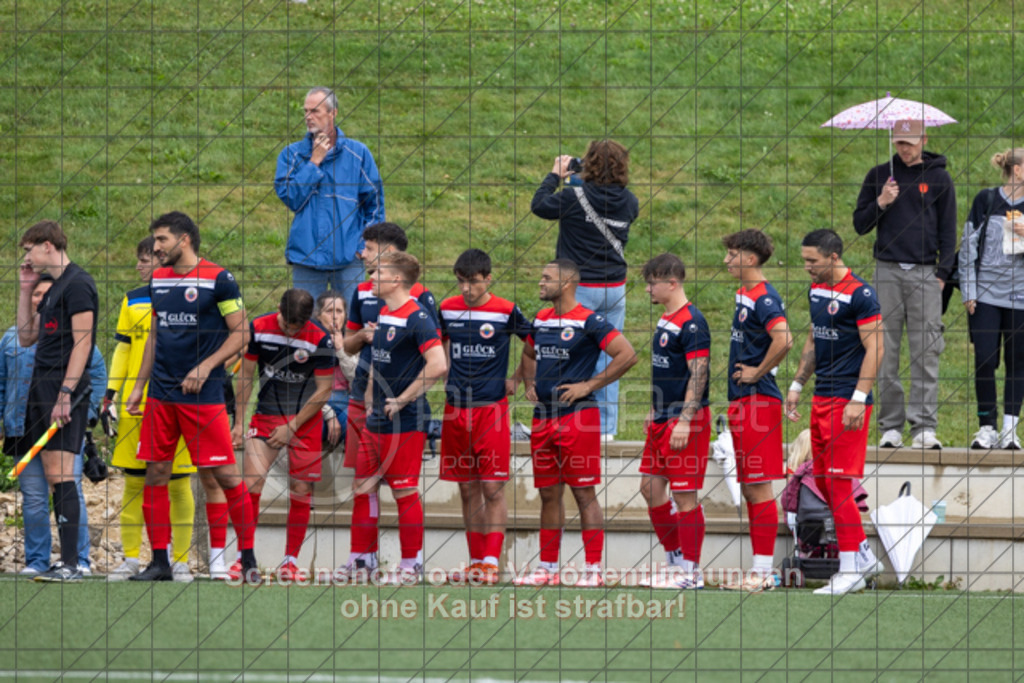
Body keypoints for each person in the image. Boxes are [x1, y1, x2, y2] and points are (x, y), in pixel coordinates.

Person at [124, 211, 257, 582]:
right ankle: (160, 562)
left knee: (226, 477)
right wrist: (138, 387)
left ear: (184, 240)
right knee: (156, 473)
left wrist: (206, 366)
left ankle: (247, 560)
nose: (156, 246)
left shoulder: (219, 279)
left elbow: (242, 332)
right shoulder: (160, 279)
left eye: (162, 239)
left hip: (204, 397)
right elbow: (155, 334)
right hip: (161, 395)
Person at [513, 259, 638, 587]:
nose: (540, 282)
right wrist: (529, 384)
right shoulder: (541, 318)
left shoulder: (589, 321)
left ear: (566, 283)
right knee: (548, 495)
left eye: (546, 277)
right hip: (542, 418)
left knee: (584, 493)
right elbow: (528, 354)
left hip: (578, 418)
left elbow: (627, 354)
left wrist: (588, 386)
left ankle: (593, 570)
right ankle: (548, 569)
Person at [785, 229, 886, 596]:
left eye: (812, 261)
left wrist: (859, 397)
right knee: (825, 480)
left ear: (833, 256)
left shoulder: (861, 295)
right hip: (822, 396)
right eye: (805, 260)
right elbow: (813, 339)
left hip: (848, 399)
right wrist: (797, 384)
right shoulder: (817, 290)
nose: (807, 267)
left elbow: (876, 348)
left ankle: (848, 571)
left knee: (840, 482)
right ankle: (861, 554)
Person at [340, 251, 447, 584]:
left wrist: (402, 399)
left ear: (397, 279)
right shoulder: (385, 312)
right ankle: (361, 561)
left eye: (379, 272)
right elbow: (379, 360)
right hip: (377, 416)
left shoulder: (418, 317)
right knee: (364, 488)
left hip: (406, 419)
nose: (371, 276)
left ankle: (410, 565)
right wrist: (372, 396)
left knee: (403, 491)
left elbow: (438, 364)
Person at [853, 119, 957, 450]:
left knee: (926, 349)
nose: (904, 148)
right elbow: (859, 224)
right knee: (886, 350)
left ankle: (924, 426)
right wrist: (882, 201)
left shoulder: (940, 178)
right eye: (899, 142)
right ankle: (891, 426)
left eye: (910, 142)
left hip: (926, 273)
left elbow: (948, 231)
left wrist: (942, 274)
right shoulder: (879, 175)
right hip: (887, 271)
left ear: (924, 139)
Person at [530, 140, 640, 439]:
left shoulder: (572, 198)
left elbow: (539, 205)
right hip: (614, 289)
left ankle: (563, 424)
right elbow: (600, 197)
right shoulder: (630, 201)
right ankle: (605, 429)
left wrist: (556, 174)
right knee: (609, 356)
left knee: (568, 357)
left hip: (580, 289)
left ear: (589, 164)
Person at [103, 237, 198, 582]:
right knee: (134, 482)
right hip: (136, 404)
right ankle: (130, 559)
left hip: (179, 402)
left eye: (145, 260)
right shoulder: (133, 298)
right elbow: (124, 350)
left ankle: (180, 560)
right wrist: (111, 392)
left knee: (177, 483)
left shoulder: (194, 295)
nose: (140, 267)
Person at [1, 274, 105, 577]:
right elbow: (2, 382)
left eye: (46, 294)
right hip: (23, 427)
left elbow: (96, 376)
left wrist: (84, 414)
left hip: (62, 425)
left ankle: (78, 561)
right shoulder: (11, 338)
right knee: (33, 498)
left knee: (67, 489)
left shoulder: (70, 336)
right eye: (36, 294)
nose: (40, 299)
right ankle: (37, 561)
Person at [438, 249, 531, 585]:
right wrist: (445, 371)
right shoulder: (447, 308)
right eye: (461, 282)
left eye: (473, 282)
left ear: (488, 279)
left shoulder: (506, 310)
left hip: (491, 410)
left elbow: (532, 342)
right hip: (455, 410)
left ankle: (492, 562)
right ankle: (476, 562)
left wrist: (518, 378)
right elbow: (439, 343)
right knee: (466, 489)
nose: (466, 289)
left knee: (492, 487)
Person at [15, 220, 99, 583]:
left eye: (30, 249)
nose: (27, 257)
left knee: (63, 475)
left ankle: (72, 564)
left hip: (63, 392)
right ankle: (64, 562)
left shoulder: (78, 283)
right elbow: (25, 337)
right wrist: (25, 290)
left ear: (48, 245)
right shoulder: (52, 289)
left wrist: (66, 393)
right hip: (41, 389)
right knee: (54, 476)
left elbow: (83, 342)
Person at [232, 289, 335, 581]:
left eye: (297, 327)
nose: (291, 332)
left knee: (301, 490)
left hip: (305, 419)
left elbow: (325, 389)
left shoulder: (320, 339)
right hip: (266, 414)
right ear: (278, 307)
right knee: (251, 484)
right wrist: (239, 422)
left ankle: (289, 562)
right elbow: (245, 375)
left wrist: (293, 426)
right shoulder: (259, 328)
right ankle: (244, 558)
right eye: (288, 325)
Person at [720, 230, 793, 592]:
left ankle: (763, 574)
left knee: (759, 488)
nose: (726, 261)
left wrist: (756, 373)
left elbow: (785, 339)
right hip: (742, 401)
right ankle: (759, 571)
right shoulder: (744, 293)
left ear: (750, 259)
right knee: (750, 488)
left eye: (732, 255)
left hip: (759, 401)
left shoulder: (764, 296)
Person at [637, 254, 712, 591]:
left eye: (652, 283)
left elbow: (699, 373)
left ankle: (690, 572)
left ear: (672, 283)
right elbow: (667, 370)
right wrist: (655, 408)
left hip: (685, 420)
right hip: (662, 418)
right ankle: (675, 558)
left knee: (684, 496)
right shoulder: (667, 318)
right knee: (650, 489)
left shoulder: (693, 322)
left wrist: (685, 419)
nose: (648, 289)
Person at [275, 86, 385, 304]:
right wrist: (314, 162)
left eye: (315, 111)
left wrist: (362, 247)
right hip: (306, 257)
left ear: (333, 113)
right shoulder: (291, 155)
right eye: (306, 111)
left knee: (351, 322)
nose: (308, 117)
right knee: (307, 325)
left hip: (348, 260)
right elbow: (292, 198)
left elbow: (374, 205)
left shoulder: (358, 154)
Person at [343, 222, 437, 475]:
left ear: (390, 252)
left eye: (370, 249)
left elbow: (436, 357)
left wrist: (407, 397)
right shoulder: (363, 292)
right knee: (362, 482)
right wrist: (363, 336)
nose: (363, 254)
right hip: (363, 396)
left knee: (400, 486)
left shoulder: (420, 299)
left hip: (400, 404)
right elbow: (347, 346)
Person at [958, 149, 1024, 450]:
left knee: (1017, 362)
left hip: (1021, 298)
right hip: (985, 295)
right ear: (1018, 171)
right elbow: (968, 246)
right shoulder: (985, 200)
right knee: (985, 359)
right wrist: (969, 291)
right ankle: (987, 426)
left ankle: (1010, 430)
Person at [316, 291, 357, 451]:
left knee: (355, 426)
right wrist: (328, 414)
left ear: (346, 316)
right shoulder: (310, 342)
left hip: (348, 400)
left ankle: (356, 475)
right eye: (329, 311)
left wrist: (340, 349)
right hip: (318, 402)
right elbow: (304, 387)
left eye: (339, 311)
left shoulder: (354, 342)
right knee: (313, 427)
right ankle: (312, 475)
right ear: (318, 316)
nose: (334, 317)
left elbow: (356, 379)